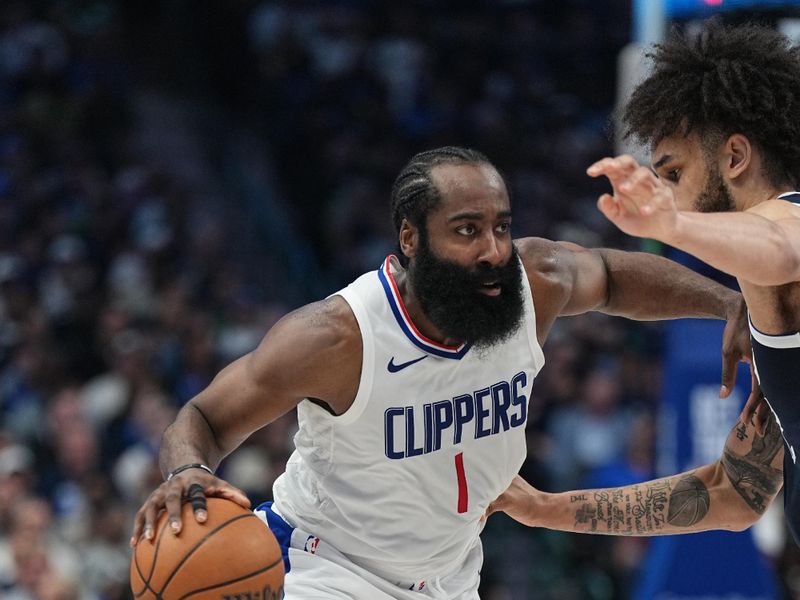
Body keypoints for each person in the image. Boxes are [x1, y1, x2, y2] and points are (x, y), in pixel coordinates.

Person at [131, 146, 751, 599]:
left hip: (451, 576)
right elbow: (205, 417)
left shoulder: (531, 283)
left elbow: (614, 277)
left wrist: (726, 303)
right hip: (329, 567)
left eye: (501, 227)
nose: (492, 249)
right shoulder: (338, 337)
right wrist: (187, 468)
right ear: (410, 238)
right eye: (466, 230)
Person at [489, 21, 800, 544]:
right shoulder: (766, 296)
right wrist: (547, 508)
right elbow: (736, 491)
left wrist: (672, 225)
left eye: (673, 174)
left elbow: (782, 248)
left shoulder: (785, 225)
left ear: (735, 157)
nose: (667, 196)